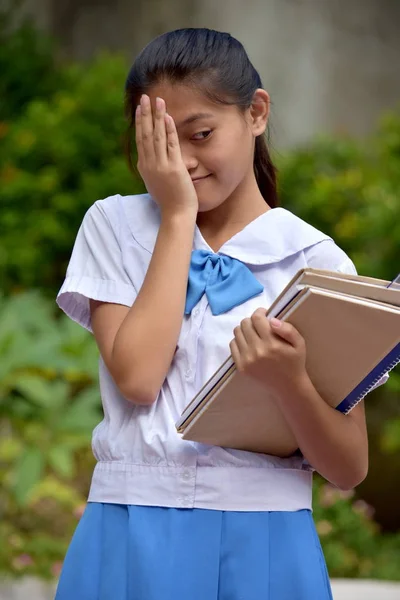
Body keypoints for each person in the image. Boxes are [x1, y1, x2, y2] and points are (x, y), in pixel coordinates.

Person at [54, 27, 386, 600]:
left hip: (265, 541)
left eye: (201, 134)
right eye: (158, 142)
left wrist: (288, 383)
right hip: (131, 526)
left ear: (256, 113)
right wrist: (178, 216)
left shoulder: (314, 260)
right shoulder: (115, 226)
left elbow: (349, 466)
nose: (180, 160)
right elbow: (137, 378)